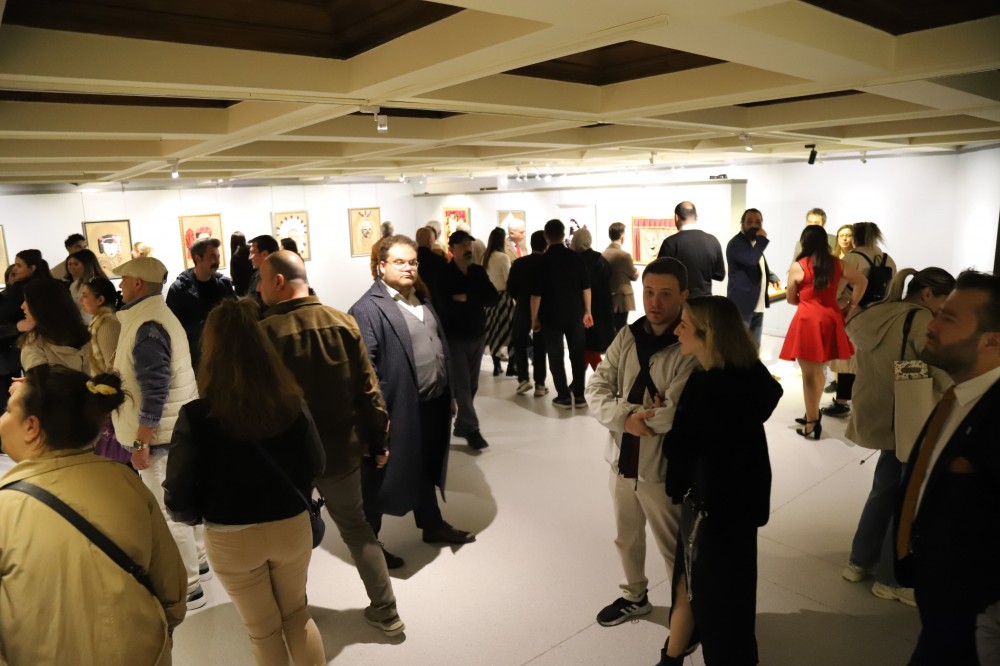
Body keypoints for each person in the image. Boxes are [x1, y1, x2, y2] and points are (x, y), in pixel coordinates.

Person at [164, 300, 327, 666]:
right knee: (297, 615)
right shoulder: (292, 403)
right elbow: (318, 463)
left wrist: (198, 514)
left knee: (263, 631)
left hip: (231, 536)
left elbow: (177, 492)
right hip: (290, 524)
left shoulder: (195, 416)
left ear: (211, 352)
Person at [257, 250, 404, 637]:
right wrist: (378, 440)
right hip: (341, 449)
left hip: (287, 460)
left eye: (261, 280)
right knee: (356, 528)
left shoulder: (264, 335)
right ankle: (387, 611)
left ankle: (295, 614)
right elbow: (369, 392)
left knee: (290, 540)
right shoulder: (343, 322)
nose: (258, 288)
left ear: (277, 282)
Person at [0, 365, 187, 665]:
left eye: (9, 410)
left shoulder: (5, 509)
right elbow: (172, 589)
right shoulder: (126, 483)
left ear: (31, 427)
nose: (3, 418)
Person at [658, 296, 782, 665]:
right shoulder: (749, 374)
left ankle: (684, 654)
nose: (677, 330)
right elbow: (769, 396)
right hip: (741, 504)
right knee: (725, 590)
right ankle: (675, 653)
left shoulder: (706, 387)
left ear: (707, 334)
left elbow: (680, 448)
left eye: (684, 325)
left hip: (709, 507)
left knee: (706, 593)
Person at [350, 235, 477, 568]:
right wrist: (375, 419)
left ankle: (431, 524)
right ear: (381, 266)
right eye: (399, 262)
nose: (408, 268)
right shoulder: (367, 308)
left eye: (412, 262)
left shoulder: (421, 299)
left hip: (431, 403)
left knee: (426, 465)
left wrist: (449, 393)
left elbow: (439, 345)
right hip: (396, 408)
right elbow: (364, 371)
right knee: (381, 476)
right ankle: (368, 545)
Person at [584, 258, 698, 631]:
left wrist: (626, 413)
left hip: (660, 467)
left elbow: (671, 413)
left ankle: (689, 613)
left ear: (683, 295)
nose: (654, 302)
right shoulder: (628, 335)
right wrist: (628, 416)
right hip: (622, 459)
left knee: (674, 546)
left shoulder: (689, 346)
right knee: (626, 536)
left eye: (665, 294)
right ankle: (635, 595)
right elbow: (596, 387)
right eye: (649, 292)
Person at [895, 270, 1000, 666]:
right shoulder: (958, 396)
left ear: (992, 340)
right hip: (940, 604)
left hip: (975, 622)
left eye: (949, 318)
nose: (932, 324)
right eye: (939, 312)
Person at [840, 268, 955, 607]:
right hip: (910, 416)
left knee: (883, 491)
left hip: (880, 411)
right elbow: (940, 369)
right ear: (928, 294)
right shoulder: (921, 320)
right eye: (945, 301)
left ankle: (859, 562)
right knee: (908, 499)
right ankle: (891, 580)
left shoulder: (876, 312)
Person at [111, 255, 207, 610]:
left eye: (124, 279)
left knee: (170, 512)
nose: (121, 285)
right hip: (174, 432)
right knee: (183, 502)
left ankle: (190, 588)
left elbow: (155, 391)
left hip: (160, 439)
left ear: (138, 283)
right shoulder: (156, 316)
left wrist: (141, 442)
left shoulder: (147, 325)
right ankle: (199, 562)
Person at [780, 225, 867, 438]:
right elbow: (862, 281)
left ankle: (812, 422)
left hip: (808, 321)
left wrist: (806, 299)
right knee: (819, 372)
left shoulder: (799, 266)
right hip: (831, 319)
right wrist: (850, 306)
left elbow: (790, 299)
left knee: (810, 375)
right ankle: (812, 413)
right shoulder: (837, 263)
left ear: (804, 242)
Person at [825, 221, 898, 418]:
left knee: (847, 360)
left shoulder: (851, 258)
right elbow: (891, 289)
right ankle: (865, 401)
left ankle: (842, 402)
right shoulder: (887, 259)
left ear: (855, 238)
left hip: (850, 312)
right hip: (877, 314)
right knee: (868, 359)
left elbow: (837, 289)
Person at [438, 230, 499, 449]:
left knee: (472, 384)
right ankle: (472, 429)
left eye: (469, 245)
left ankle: (462, 424)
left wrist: (466, 298)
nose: (468, 249)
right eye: (463, 245)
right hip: (455, 337)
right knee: (463, 384)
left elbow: (492, 297)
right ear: (451, 250)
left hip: (477, 334)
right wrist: (472, 300)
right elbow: (444, 305)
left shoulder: (477, 272)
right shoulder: (445, 274)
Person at [532, 219, 593, 409]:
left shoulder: (542, 261)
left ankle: (564, 397)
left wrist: (534, 318)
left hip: (551, 316)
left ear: (546, 236)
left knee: (556, 356)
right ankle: (580, 396)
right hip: (575, 314)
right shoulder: (576, 258)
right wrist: (588, 311)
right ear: (564, 234)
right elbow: (586, 288)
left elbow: (536, 295)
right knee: (577, 355)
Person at [80, 276, 132, 465]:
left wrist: (107, 399)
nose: (81, 300)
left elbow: (114, 368)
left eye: (85, 296)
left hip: (111, 397)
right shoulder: (98, 322)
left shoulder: (108, 323)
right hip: (104, 394)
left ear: (100, 299)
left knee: (118, 452)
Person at [166, 237, 236, 368]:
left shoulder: (224, 285)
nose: (217, 262)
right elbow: (171, 328)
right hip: (195, 360)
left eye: (218, 257)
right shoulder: (179, 290)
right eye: (212, 257)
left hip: (224, 356)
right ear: (198, 259)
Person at [0, 250, 52, 407]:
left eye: (19, 265)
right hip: (14, 353)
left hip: (30, 348)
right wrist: (17, 326)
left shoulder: (38, 289)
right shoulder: (13, 292)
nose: (15, 270)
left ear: (32, 268)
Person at [726, 208, 782, 346]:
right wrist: (762, 239)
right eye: (749, 222)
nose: (754, 225)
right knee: (740, 346)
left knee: (755, 346)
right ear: (742, 224)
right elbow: (751, 260)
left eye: (758, 222)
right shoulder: (736, 244)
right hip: (742, 305)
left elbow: (758, 265)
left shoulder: (754, 244)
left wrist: (772, 277)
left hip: (758, 303)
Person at [507, 230, 548, 396]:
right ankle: (540, 384)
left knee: (519, 343)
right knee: (540, 347)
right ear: (546, 244)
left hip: (522, 307)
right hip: (544, 309)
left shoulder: (519, 263)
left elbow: (511, 289)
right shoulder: (548, 264)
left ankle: (523, 379)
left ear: (531, 244)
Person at [18, 277, 89, 373]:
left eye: (27, 300)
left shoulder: (34, 343)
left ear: (42, 305)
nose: (22, 306)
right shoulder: (34, 343)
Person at [656, 201, 724, 297]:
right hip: (706, 301)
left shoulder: (670, 243)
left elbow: (659, 275)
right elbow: (719, 275)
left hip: (680, 301)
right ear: (696, 217)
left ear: (676, 217)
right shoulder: (713, 241)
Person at [571, 228, 615, 370]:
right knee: (588, 347)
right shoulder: (599, 259)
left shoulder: (576, 261)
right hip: (602, 309)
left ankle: (601, 377)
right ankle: (580, 378)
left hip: (585, 310)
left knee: (587, 347)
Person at [483, 227, 516, 376]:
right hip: (504, 299)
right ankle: (511, 366)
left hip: (490, 298)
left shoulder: (485, 257)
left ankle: (496, 366)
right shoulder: (503, 257)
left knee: (493, 333)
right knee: (511, 332)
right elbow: (509, 279)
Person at [603, 222, 639, 334]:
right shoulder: (624, 256)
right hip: (622, 299)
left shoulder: (603, 254)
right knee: (621, 329)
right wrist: (636, 273)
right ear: (622, 236)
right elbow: (633, 275)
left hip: (608, 296)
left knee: (610, 328)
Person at [66, 248, 108, 323]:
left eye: (76, 264)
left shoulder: (99, 284)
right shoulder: (74, 285)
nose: (71, 268)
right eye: (70, 264)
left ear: (87, 265)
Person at [415, 226, 447, 308]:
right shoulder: (440, 261)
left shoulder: (412, 260)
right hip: (436, 300)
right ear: (429, 241)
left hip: (417, 299)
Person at [247, 235, 280, 303]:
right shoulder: (255, 276)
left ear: (264, 254)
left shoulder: (278, 278)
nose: (249, 257)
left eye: (252, 252)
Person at [230, 232, 254, 296]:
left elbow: (235, 277)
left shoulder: (236, 255)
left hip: (242, 290)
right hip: (254, 285)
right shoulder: (251, 250)